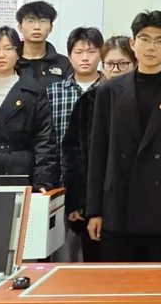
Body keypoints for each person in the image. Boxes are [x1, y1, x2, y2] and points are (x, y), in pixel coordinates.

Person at [86, 10, 161, 262]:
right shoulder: (109, 90)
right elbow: (98, 153)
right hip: (118, 205)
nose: (151, 47)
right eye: (145, 38)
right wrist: (94, 210)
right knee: (117, 280)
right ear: (132, 43)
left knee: (159, 280)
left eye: (160, 40)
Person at [63, 35, 135, 263]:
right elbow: (73, 153)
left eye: (123, 64)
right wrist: (76, 200)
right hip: (96, 199)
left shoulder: (145, 101)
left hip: (137, 201)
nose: (116, 70)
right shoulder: (88, 101)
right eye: (110, 64)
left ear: (134, 64)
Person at [0, 26, 57, 189]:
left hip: (21, 170)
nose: (1, 55)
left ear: (18, 53)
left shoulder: (34, 90)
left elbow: (44, 139)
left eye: (8, 48)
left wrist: (43, 179)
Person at [46, 26, 105, 261]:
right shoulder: (53, 92)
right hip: (62, 183)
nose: (85, 58)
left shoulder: (110, 91)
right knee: (62, 255)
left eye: (91, 52)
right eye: (78, 52)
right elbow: (47, 141)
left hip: (98, 187)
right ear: (69, 56)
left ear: (100, 54)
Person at [15, 0, 72, 86]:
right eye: (30, 21)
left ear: (51, 27)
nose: (37, 27)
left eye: (43, 21)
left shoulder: (64, 63)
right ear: (20, 27)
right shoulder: (11, 61)